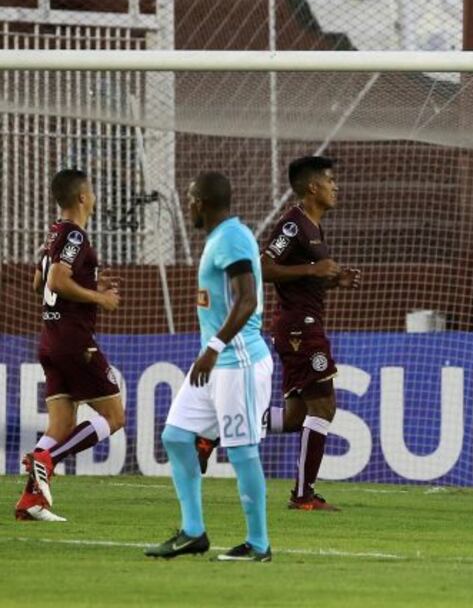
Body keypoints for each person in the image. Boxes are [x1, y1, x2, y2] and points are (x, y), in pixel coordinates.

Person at [145, 172, 273, 562]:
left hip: (238, 361)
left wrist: (215, 346)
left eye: (190, 199)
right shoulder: (219, 239)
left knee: (241, 451)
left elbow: (247, 299)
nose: (187, 206)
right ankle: (193, 532)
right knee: (176, 436)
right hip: (214, 364)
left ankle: (259, 544)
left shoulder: (232, 237)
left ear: (200, 201)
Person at [17, 169, 124, 522]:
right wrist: (98, 297)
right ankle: (46, 460)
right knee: (114, 416)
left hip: (49, 339)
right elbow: (55, 280)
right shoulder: (75, 234)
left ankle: (30, 502)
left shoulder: (53, 236)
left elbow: (38, 284)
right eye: (91, 191)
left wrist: (90, 280)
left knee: (60, 426)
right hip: (74, 341)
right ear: (82, 197)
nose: (93, 197)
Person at [260, 155, 360, 510]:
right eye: (330, 181)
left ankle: (222, 425)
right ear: (312, 187)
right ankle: (303, 495)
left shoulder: (314, 227)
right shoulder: (294, 225)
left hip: (300, 323)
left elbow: (304, 280)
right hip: (300, 328)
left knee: (294, 418)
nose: (336, 186)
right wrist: (314, 268)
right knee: (324, 406)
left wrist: (332, 281)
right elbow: (264, 268)